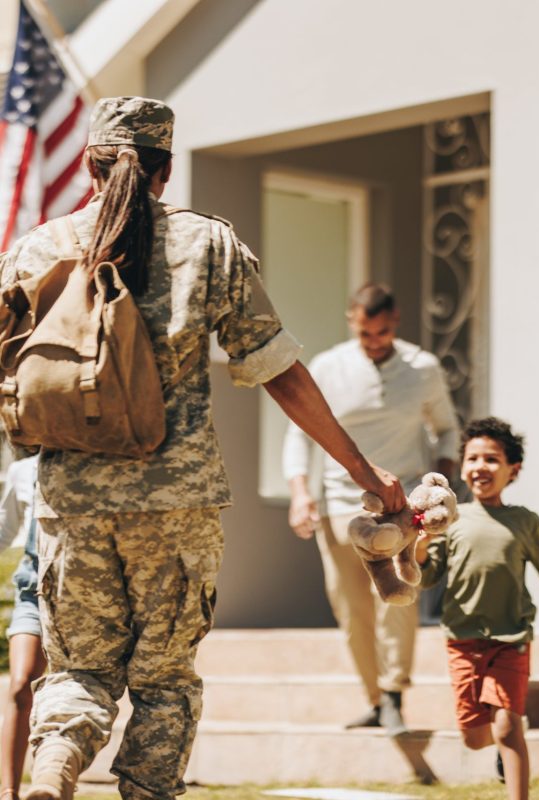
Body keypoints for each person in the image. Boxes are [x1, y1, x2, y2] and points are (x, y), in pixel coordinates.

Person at [0, 97, 405, 800]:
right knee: (163, 679)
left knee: (77, 672)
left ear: (92, 163)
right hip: (176, 504)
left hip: (71, 501)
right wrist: (364, 471)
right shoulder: (208, 245)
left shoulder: (37, 248)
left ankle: (54, 773)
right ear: (166, 168)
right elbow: (279, 372)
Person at [282, 283, 459, 735]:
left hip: (402, 508)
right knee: (350, 607)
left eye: (381, 332)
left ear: (394, 323)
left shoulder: (423, 367)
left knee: (398, 597)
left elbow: (445, 430)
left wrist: (438, 481)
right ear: (352, 322)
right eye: (366, 333)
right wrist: (301, 494)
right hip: (342, 505)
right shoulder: (328, 366)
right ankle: (375, 700)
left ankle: (395, 693)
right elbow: (300, 434)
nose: (374, 340)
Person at [416, 417, 539, 800]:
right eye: (473, 458)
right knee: (473, 736)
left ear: (512, 469)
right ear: (463, 467)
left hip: (511, 638)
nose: (481, 466)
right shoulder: (449, 521)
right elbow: (429, 577)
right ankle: (505, 740)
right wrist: (417, 546)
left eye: (492, 459)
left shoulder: (524, 522)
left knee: (505, 727)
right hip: (462, 641)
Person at [0, 456, 45, 800]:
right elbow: (6, 528)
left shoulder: (91, 460)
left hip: (81, 595)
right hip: (32, 590)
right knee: (20, 684)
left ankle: (50, 785)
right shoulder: (23, 469)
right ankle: (8, 791)